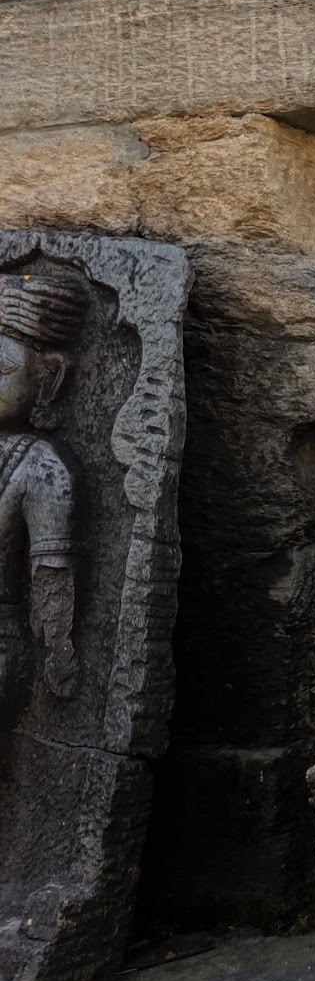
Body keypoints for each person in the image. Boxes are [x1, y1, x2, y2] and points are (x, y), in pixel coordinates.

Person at [0, 273, 87, 720]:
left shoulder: (39, 465)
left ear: (47, 379)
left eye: (2, 369)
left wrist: (58, 648)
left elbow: (52, 572)